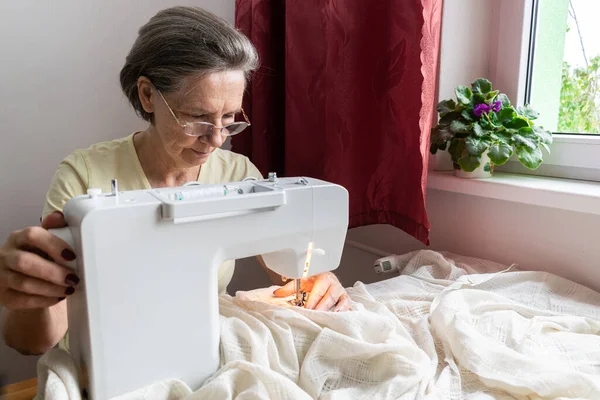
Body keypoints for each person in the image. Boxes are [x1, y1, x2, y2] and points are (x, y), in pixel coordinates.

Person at [0, 6, 351, 356]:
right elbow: (32, 342)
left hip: (199, 352)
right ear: (148, 95)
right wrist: (29, 296)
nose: (217, 140)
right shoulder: (84, 177)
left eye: (229, 118)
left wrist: (316, 282)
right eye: (198, 118)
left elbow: (292, 273)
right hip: (109, 360)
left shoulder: (238, 174)